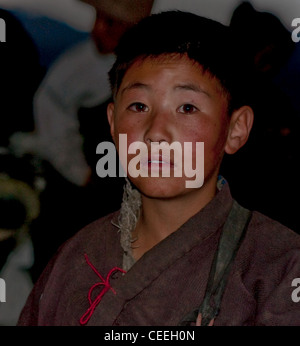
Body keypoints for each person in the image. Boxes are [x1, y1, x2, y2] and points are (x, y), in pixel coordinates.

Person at [17, 11, 300, 326]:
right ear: (112, 123)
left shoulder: (280, 267)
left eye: (187, 108)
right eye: (139, 106)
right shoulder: (74, 257)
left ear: (236, 129)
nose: (156, 131)